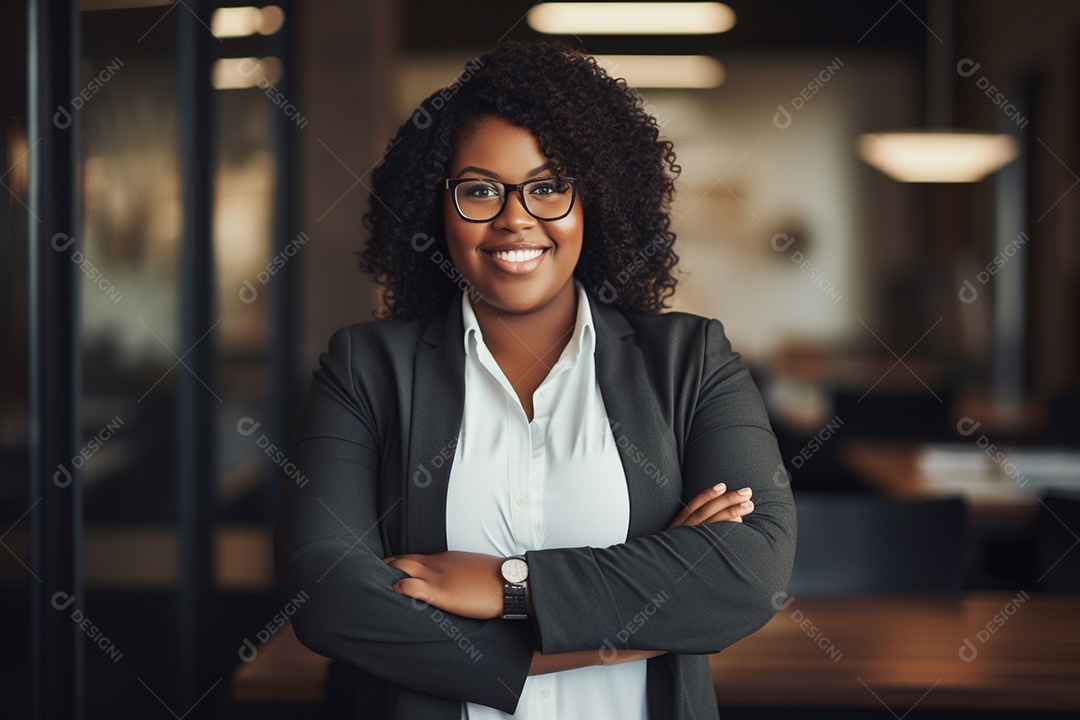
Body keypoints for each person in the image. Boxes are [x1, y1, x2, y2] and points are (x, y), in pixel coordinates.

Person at [273, 41, 796, 720]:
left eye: (548, 186)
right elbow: (326, 595)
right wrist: (625, 627)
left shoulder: (690, 361)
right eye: (480, 189)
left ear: (595, 202)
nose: (516, 218)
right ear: (439, 209)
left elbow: (749, 573)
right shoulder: (368, 370)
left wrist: (508, 585)